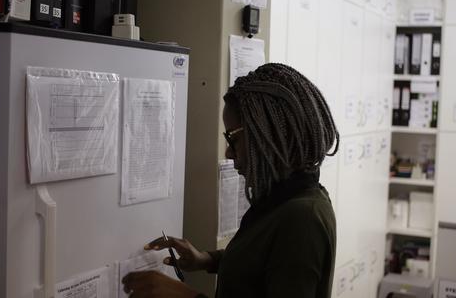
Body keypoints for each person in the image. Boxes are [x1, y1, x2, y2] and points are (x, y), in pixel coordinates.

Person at [122, 63, 340, 298]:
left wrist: (184, 296)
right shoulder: (282, 198)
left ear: (270, 135)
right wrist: (206, 259)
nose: (228, 152)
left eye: (233, 137)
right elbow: (264, 264)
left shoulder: (303, 218)